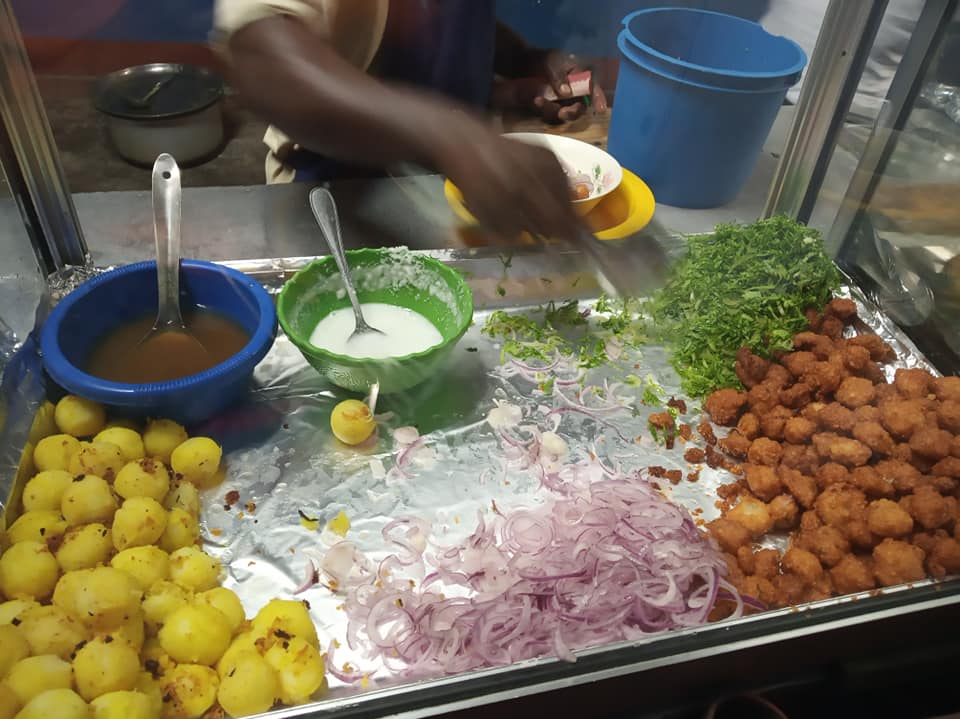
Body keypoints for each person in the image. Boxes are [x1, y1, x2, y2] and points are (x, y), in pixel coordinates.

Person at [212, 0, 607, 243]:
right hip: (335, 198)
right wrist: (457, 139)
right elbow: (264, 57)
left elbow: (448, 21)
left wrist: (527, 62)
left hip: (450, 192)